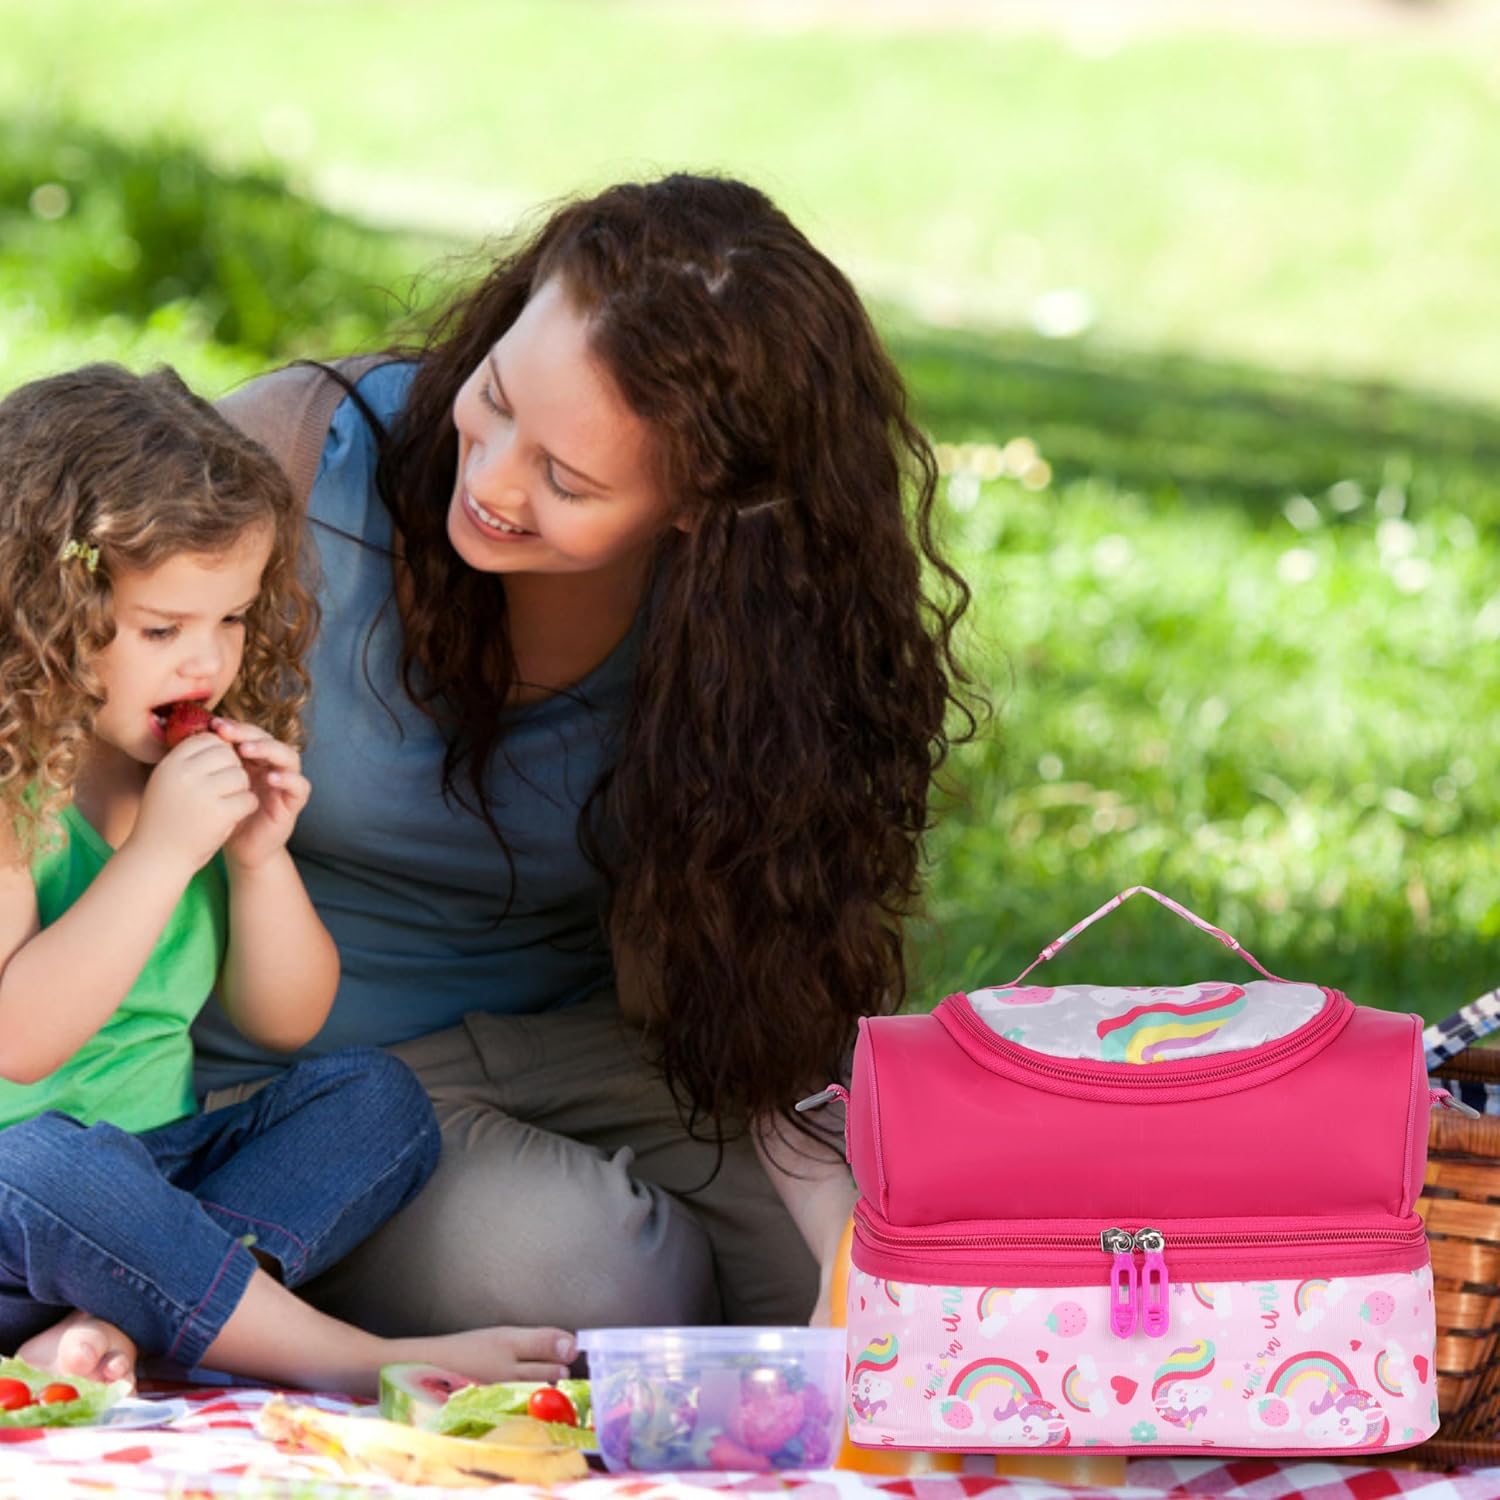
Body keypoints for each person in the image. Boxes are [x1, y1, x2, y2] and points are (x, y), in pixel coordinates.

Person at [198, 173, 973, 1336]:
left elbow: (761, 986)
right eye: (494, 395)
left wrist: (844, 1255)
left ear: (703, 509)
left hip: (600, 1048)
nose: (494, 480)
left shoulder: (755, 621)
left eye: (567, 479)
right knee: (610, 1281)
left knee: (902, 1277)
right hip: (304, 1078)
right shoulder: (294, 464)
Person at [0, 366, 574, 1393]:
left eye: (232, 620)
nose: (208, 664)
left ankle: (123, 1323)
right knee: (52, 1163)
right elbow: (21, 1042)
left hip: (158, 1179)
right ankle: (349, 1358)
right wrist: (160, 856)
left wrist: (258, 862)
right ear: (49, 613)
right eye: (163, 629)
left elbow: (286, 1023)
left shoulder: (174, 780)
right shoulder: (14, 792)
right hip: (22, 1198)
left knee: (376, 1098)